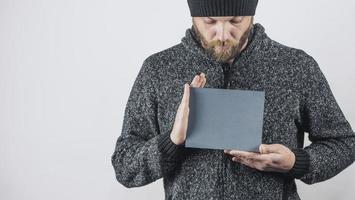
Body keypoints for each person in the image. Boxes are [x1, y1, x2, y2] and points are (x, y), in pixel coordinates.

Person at [111, 0, 355, 199]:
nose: (223, 34)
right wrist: (172, 141)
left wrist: (296, 162)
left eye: (235, 21)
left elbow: (344, 143)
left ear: (251, 15)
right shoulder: (158, 69)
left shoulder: (297, 66)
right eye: (211, 21)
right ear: (194, 17)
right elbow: (124, 165)